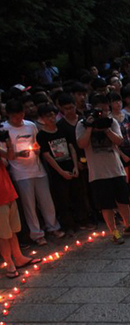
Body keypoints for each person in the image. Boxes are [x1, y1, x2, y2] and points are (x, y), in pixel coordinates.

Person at [76, 94, 130, 244]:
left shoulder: (111, 122)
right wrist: (90, 127)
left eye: (106, 110)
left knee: (123, 200)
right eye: (100, 111)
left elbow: (119, 141)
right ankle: (114, 231)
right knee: (106, 204)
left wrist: (105, 129)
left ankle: (128, 224)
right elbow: (81, 144)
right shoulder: (82, 124)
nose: (103, 114)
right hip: (98, 173)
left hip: (116, 168)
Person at [1, 100, 64, 246]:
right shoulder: (4, 129)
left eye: (21, 115)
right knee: (29, 204)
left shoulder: (30, 125)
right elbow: (5, 153)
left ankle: (53, 226)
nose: (19, 119)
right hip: (20, 172)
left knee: (46, 200)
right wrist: (17, 154)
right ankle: (36, 234)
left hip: (37, 168)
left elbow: (37, 142)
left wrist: (36, 150)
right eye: (15, 117)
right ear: (9, 115)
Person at [36, 104, 81, 234]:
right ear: (42, 118)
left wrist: (75, 166)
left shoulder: (62, 129)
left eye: (52, 115)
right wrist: (61, 172)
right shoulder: (42, 135)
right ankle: (68, 225)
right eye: (47, 116)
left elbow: (71, 147)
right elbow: (47, 155)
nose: (51, 118)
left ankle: (80, 220)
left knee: (76, 195)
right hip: (57, 172)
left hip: (71, 166)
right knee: (63, 199)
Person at [0, 138, 40, 278]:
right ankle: (9, 263)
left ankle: (18, 257)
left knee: (13, 230)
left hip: (8, 192)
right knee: (3, 234)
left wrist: (9, 144)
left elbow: (9, 157)